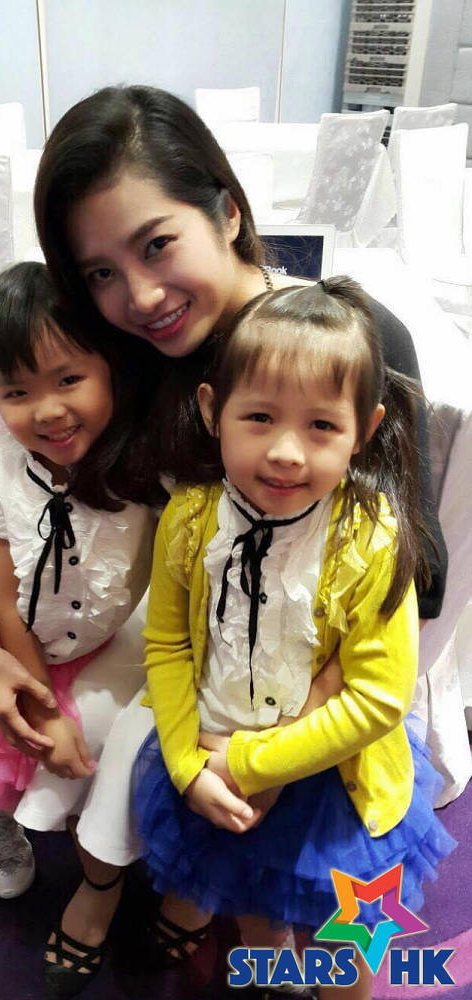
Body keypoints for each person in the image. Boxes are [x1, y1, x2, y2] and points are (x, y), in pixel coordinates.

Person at [0, 86, 447, 992]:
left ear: (226, 211)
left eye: (156, 245)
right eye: (99, 272)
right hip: (186, 638)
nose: (139, 296)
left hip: (317, 693)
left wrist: (270, 758)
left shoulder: (343, 341)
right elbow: (39, 505)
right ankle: (165, 889)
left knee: (335, 930)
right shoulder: (133, 357)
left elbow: (409, 580)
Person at [131, 278, 456, 1000]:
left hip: (334, 780)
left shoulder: (369, 537)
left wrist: (252, 763)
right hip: (214, 759)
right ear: (212, 410)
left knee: (345, 939)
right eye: (259, 417)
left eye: (320, 427)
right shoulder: (190, 519)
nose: (285, 452)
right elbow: (168, 647)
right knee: (251, 900)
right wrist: (186, 766)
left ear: (364, 430)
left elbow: (378, 698)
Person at [0, 262, 154, 969]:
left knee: (31, 760)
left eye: (68, 379)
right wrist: (40, 701)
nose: (47, 411)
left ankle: (0, 819)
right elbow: (6, 591)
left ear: (109, 366)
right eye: (17, 392)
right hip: (14, 637)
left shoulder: (143, 462)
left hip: (96, 639)